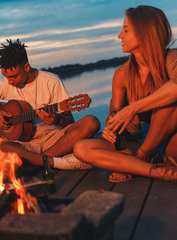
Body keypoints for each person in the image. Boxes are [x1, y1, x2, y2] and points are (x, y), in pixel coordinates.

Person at [74, 5, 177, 183]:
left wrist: (132, 109)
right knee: (81, 148)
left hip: (170, 141)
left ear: (145, 32)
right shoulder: (122, 74)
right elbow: (114, 114)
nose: (120, 36)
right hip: (136, 142)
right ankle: (155, 171)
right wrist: (109, 128)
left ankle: (139, 161)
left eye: (126, 30)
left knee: (168, 101)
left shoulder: (171, 58)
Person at [0, 39, 100, 169]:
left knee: (91, 122)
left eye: (14, 76)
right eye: (6, 76)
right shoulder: (5, 83)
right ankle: (52, 162)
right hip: (23, 143)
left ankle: (38, 161)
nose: (10, 82)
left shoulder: (51, 81)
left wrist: (57, 119)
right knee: (1, 145)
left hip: (52, 139)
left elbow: (69, 121)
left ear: (26, 67)